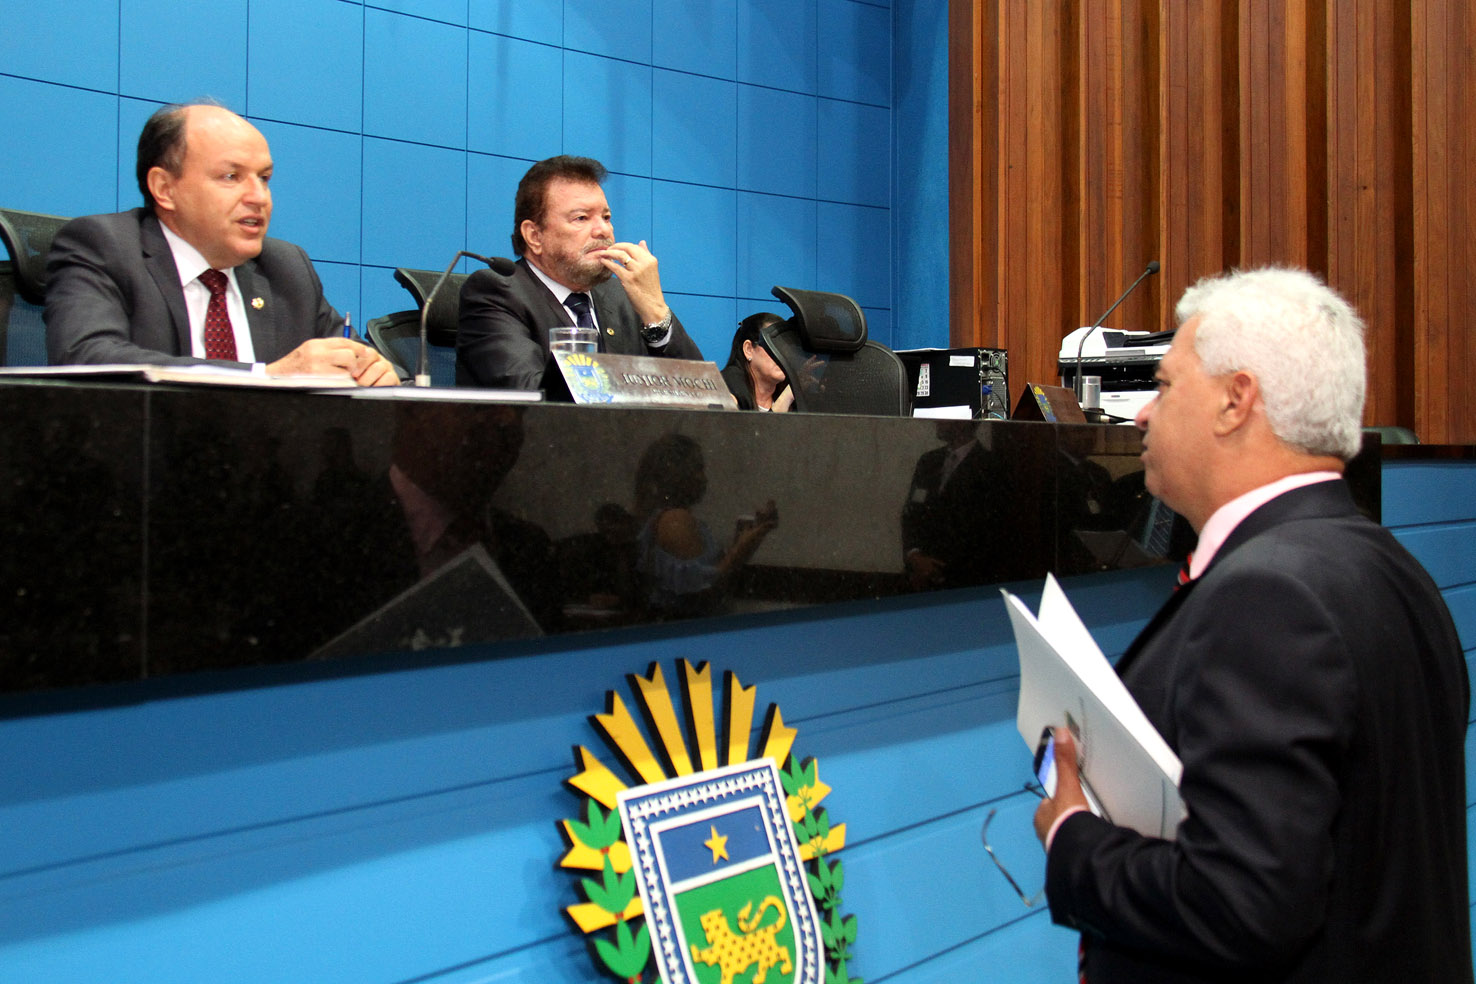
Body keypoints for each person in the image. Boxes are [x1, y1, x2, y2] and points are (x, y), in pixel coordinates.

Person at [1032, 267, 1472, 983]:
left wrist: (1074, 842)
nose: (1141, 416)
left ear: (1236, 401)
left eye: (1164, 386)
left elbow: (1239, 905)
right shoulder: (1394, 569)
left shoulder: (1268, 597)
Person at [45, 102, 397, 385]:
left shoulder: (287, 268)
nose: (259, 197)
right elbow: (88, 358)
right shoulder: (104, 247)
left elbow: (368, 366)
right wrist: (265, 376)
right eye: (231, 176)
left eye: (264, 178)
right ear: (165, 189)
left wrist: (376, 372)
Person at [456, 155, 702, 390]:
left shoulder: (624, 295)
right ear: (534, 236)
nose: (603, 230)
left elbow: (703, 397)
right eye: (582, 218)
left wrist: (656, 311)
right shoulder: (495, 293)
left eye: (606, 217)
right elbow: (532, 398)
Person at [632, 433, 776, 617]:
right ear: (678, 474)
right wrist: (740, 551)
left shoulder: (667, 518)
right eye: (698, 469)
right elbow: (701, 595)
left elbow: (709, 578)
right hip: (686, 629)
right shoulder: (675, 521)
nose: (704, 478)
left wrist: (752, 539)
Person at [721, 312, 793, 411]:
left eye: (787, 348)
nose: (783, 355)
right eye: (774, 346)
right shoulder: (727, 390)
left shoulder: (791, 389)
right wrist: (785, 399)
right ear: (749, 350)